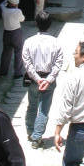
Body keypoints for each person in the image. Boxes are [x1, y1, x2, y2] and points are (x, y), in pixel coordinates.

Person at [21, 11, 64, 148]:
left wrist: (37, 78)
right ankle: (37, 137)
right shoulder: (56, 43)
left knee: (32, 105)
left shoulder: (28, 42)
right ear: (50, 24)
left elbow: (27, 63)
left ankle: (30, 131)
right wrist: (48, 79)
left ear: (36, 23)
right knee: (44, 109)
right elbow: (58, 63)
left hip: (34, 80)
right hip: (49, 79)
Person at [0, 0, 25, 79]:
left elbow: (1, 4)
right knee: (18, 52)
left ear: (9, 2)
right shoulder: (17, 11)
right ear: (16, 3)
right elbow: (22, 19)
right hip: (16, 33)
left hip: (6, 33)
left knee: (6, 52)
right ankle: (17, 72)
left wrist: (6, 1)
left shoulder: (3, 9)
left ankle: (3, 71)